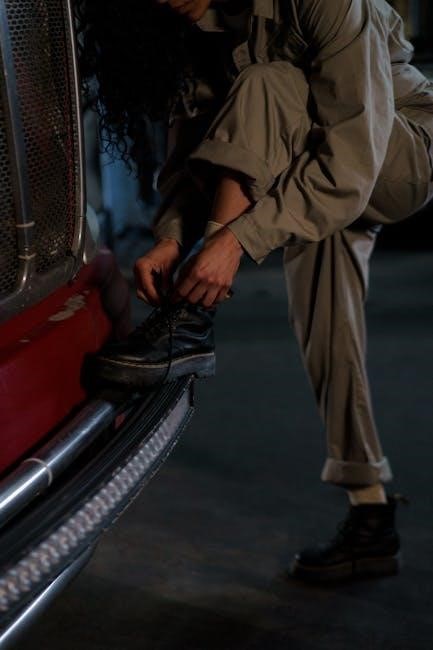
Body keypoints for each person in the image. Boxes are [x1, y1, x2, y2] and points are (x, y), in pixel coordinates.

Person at [80, 0, 433, 581]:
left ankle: (194, 313)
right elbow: (196, 143)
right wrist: (171, 237)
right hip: (310, 162)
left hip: (393, 153)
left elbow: (352, 158)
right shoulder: (187, 29)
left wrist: (232, 243)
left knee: (266, 82)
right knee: (326, 330)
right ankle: (370, 513)